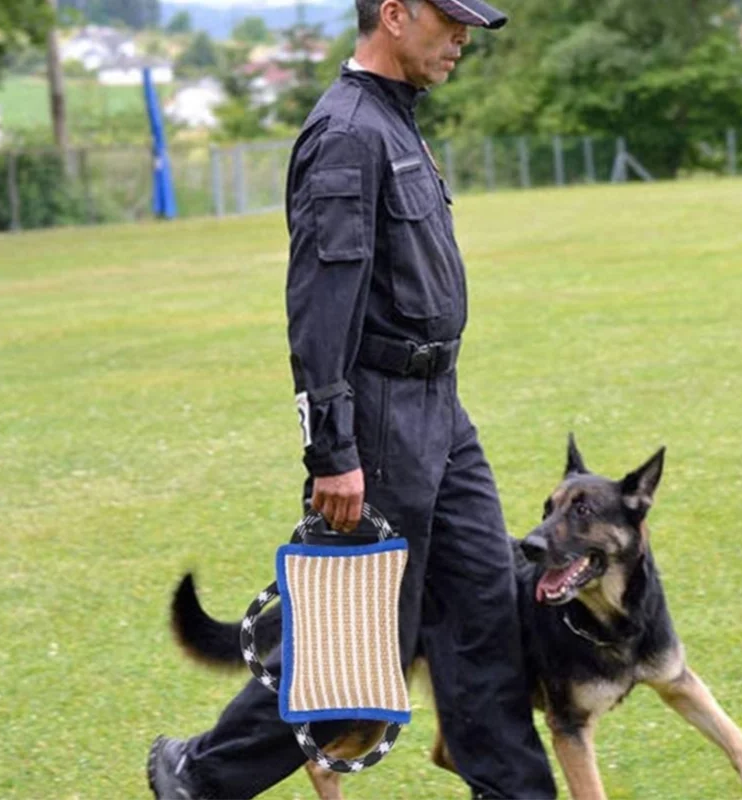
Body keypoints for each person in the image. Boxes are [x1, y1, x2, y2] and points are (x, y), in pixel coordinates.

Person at [148, 0, 557, 796]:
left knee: (484, 621)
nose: (463, 37)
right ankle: (197, 776)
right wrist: (333, 451)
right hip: (380, 417)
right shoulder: (346, 134)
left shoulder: (395, 119)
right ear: (395, 14)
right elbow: (320, 309)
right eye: (450, 20)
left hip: (441, 410)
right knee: (357, 649)